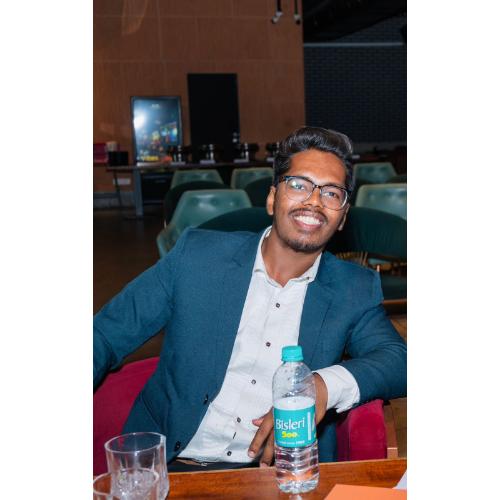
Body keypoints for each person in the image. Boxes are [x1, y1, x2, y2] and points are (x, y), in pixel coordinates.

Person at [94, 126, 406, 471]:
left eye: (332, 193)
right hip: (172, 466)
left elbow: (399, 361)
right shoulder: (197, 257)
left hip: (279, 475)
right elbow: (105, 334)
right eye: (298, 185)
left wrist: (320, 386)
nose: (314, 201)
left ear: (343, 216)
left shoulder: (353, 288)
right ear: (272, 198)